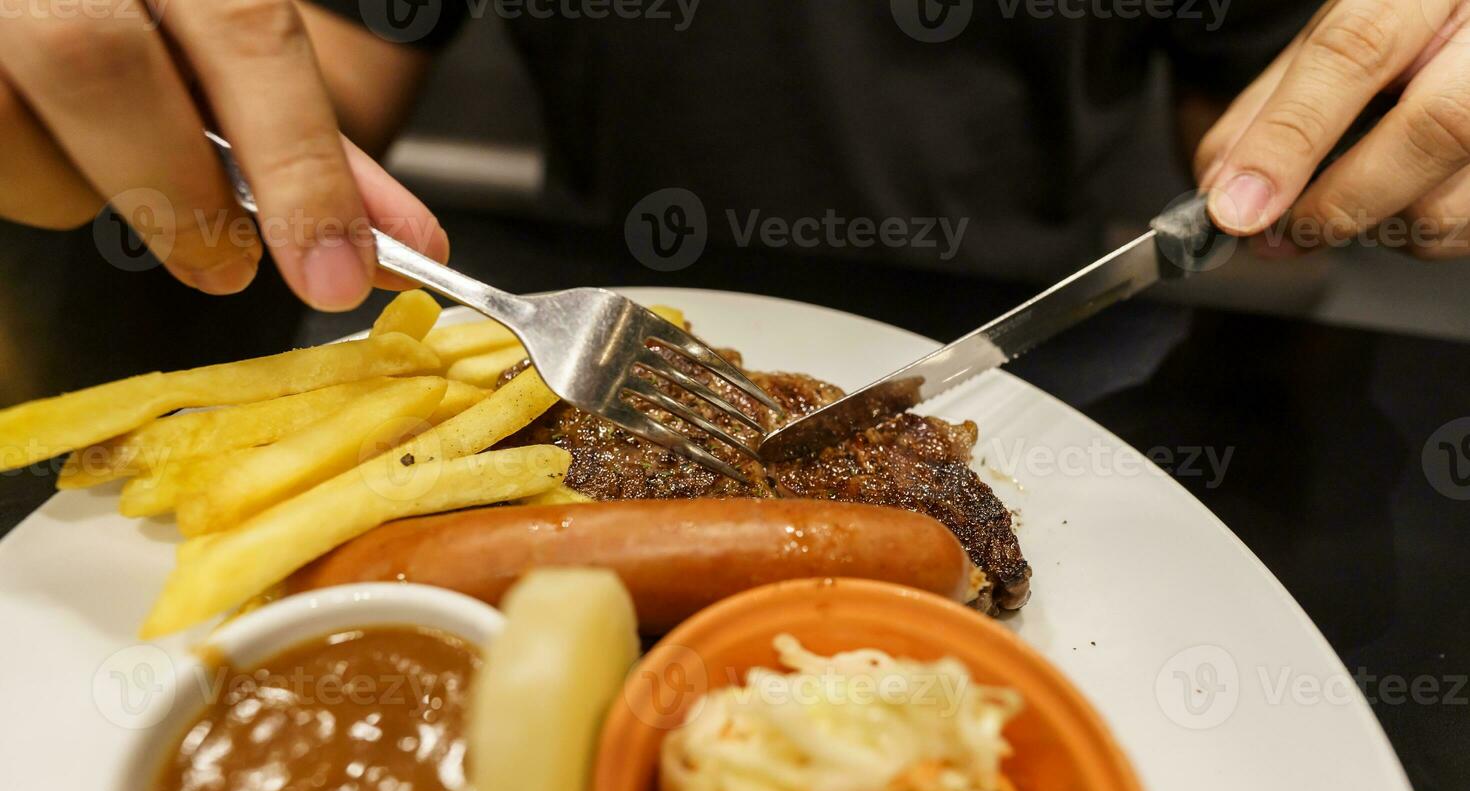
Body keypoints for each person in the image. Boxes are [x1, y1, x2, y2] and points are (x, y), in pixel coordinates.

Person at [1, 0, 1467, 313]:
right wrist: (101, 60)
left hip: (1062, 354)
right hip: (597, 348)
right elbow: (332, 78)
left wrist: (1407, 140)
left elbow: (1274, 147)